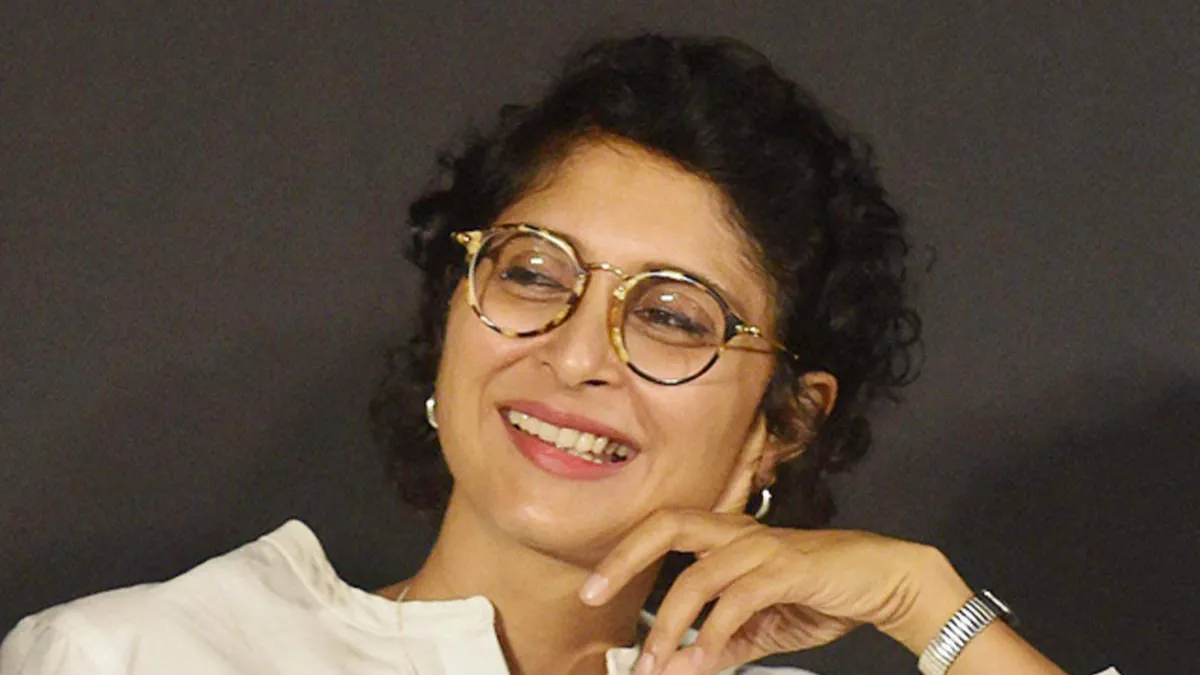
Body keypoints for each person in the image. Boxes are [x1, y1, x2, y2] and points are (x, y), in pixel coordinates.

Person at [1, 34, 1120, 675]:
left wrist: (926, 603)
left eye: (671, 315)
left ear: (783, 420)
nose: (579, 353)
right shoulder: (144, 655)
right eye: (534, 273)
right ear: (454, 309)